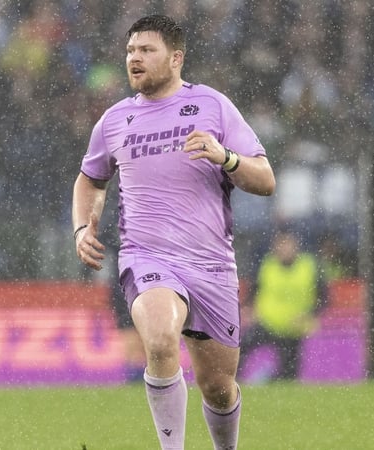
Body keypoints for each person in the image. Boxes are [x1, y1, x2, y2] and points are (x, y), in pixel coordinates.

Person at [71, 15, 276, 450]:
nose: (135, 58)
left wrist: (227, 158)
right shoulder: (114, 120)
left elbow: (266, 179)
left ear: (176, 58)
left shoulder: (213, 106)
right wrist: (79, 228)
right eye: (130, 51)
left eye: (146, 50)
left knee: (218, 388)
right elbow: (90, 178)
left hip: (212, 265)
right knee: (161, 338)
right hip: (147, 257)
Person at [239, 229, 327, 382]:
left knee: (288, 376)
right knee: (239, 350)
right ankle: (231, 387)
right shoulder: (267, 265)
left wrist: (310, 315)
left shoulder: (309, 266)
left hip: (292, 331)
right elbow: (254, 290)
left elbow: (324, 297)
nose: (285, 249)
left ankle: (265, 382)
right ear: (275, 247)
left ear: (296, 245)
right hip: (266, 324)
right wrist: (248, 309)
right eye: (281, 245)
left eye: (288, 244)